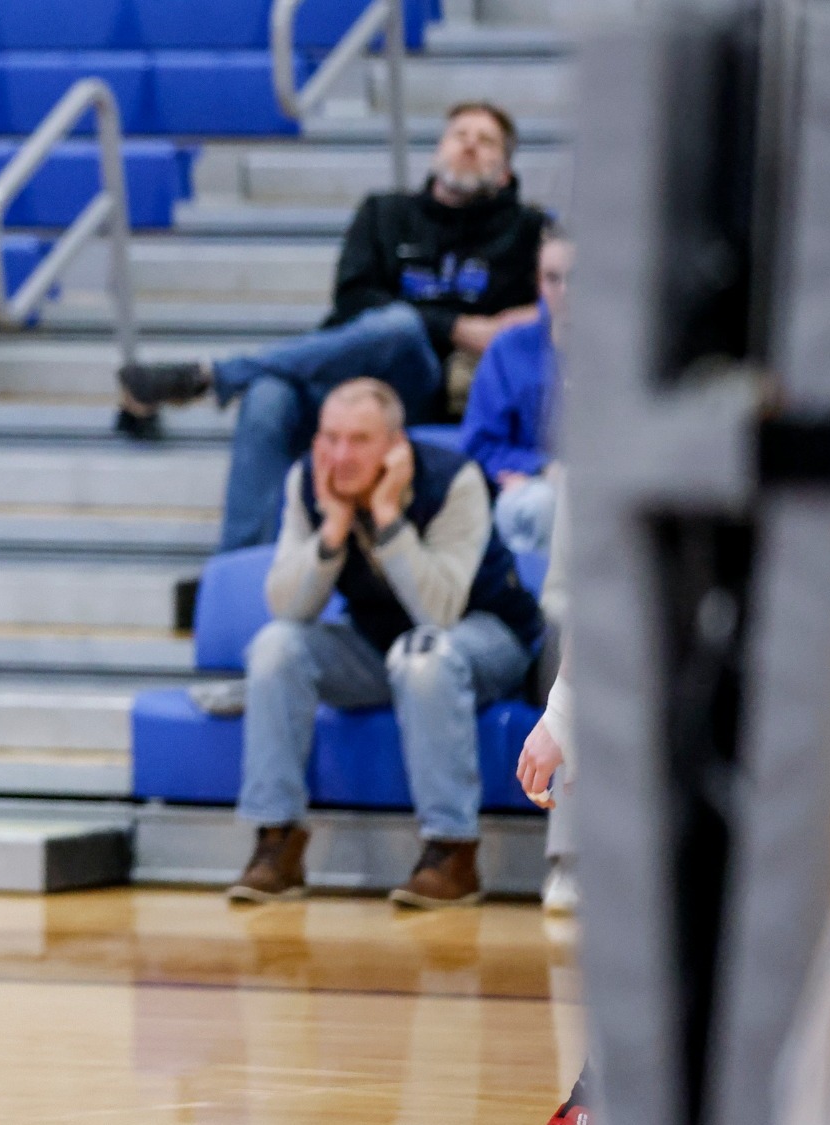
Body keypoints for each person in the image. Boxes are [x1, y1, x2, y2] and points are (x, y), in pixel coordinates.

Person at [120, 101, 548, 551]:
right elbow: (354, 299)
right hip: (346, 378)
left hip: (420, 388)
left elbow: (562, 297)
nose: (469, 146)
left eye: (486, 142)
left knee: (401, 326)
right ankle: (242, 570)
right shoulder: (384, 213)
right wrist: (459, 326)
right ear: (437, 150)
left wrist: (521, 319)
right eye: (460, 134)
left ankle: (213, 376)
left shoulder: (527, 231)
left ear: (504, 173)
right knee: (268, 396)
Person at [231, 378, 543, 908]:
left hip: (488, 638)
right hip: (381, 646)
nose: (341, 455)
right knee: (275, 646)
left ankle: (452, 850)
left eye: (359, 439)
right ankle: (276, 842)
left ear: (396, 444)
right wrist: (333, 528)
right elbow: (288, 607)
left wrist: (386, 516)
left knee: (422, 654)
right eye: (330, 438)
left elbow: (438, 612)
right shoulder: (307, 482)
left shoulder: (454, 480)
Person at [463, 231, 572, 556]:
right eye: (553, 278)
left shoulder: (631, 348)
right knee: (536, 506)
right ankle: (535, 605)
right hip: (536, 486)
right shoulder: (508, 348)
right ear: (539, 282)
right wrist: (542, 468)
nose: (565, 291)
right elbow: (478, 444)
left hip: (607, 486)